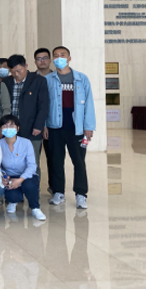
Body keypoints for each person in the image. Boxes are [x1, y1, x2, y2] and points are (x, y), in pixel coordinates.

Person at [45, 46, 95, 209]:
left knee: (79, 162)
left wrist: (89, 127)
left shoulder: (81, 78)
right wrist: (44, 125)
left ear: (69, 58)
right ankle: (58, 192)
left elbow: (89, 104)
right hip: (55, 127)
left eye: (62, 55)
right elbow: (43, 105)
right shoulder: (48, 79)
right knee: (56, 161)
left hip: (77, 128)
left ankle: (81, 194)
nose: (59, 58)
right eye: (56, 55)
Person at [2, 55, 49, 174]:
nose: (16, 74)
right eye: (13, 72)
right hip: (10, 129)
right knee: (10, 160)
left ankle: (33, 184)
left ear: (26, 66)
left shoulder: (39, 81)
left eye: (19, 71)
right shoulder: (6, 82)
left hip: (32, 128)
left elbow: (43, 105)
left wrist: (39, 126)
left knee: (32, 162)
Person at [0, 115, 46, 221]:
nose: (8, 128)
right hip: (9, 176)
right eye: (5, 126)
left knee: (30, 185)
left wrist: (20, 180)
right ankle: (13, 202)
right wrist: (3, 176)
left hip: (26, 175)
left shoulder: (26, 143)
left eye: (12, 125)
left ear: (18, 128)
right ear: (1, 129)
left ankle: (35, 208)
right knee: (12, 196)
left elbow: (32, 165)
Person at [34, 47, 54, 192]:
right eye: (39, 59)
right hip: (34, 124)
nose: (42, 61)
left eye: (45, 58)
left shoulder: (57, 77)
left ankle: (54, 186)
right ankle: (33, 187)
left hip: (53, 124)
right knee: (33, 158)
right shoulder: (31, 79)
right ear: (35, 61)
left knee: (53, 157)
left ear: (50, 60)